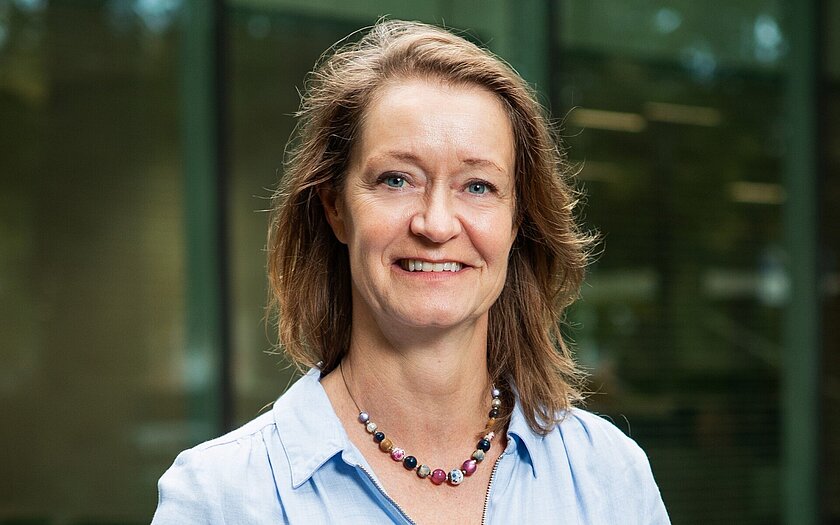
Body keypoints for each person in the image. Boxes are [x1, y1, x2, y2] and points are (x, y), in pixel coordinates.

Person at [152, 19, 670, 524]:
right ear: (335, 208)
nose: (436, 224)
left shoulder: (609, 478)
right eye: (397, 180)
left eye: (478, 186)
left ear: (518, 221)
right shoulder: (220, 499)